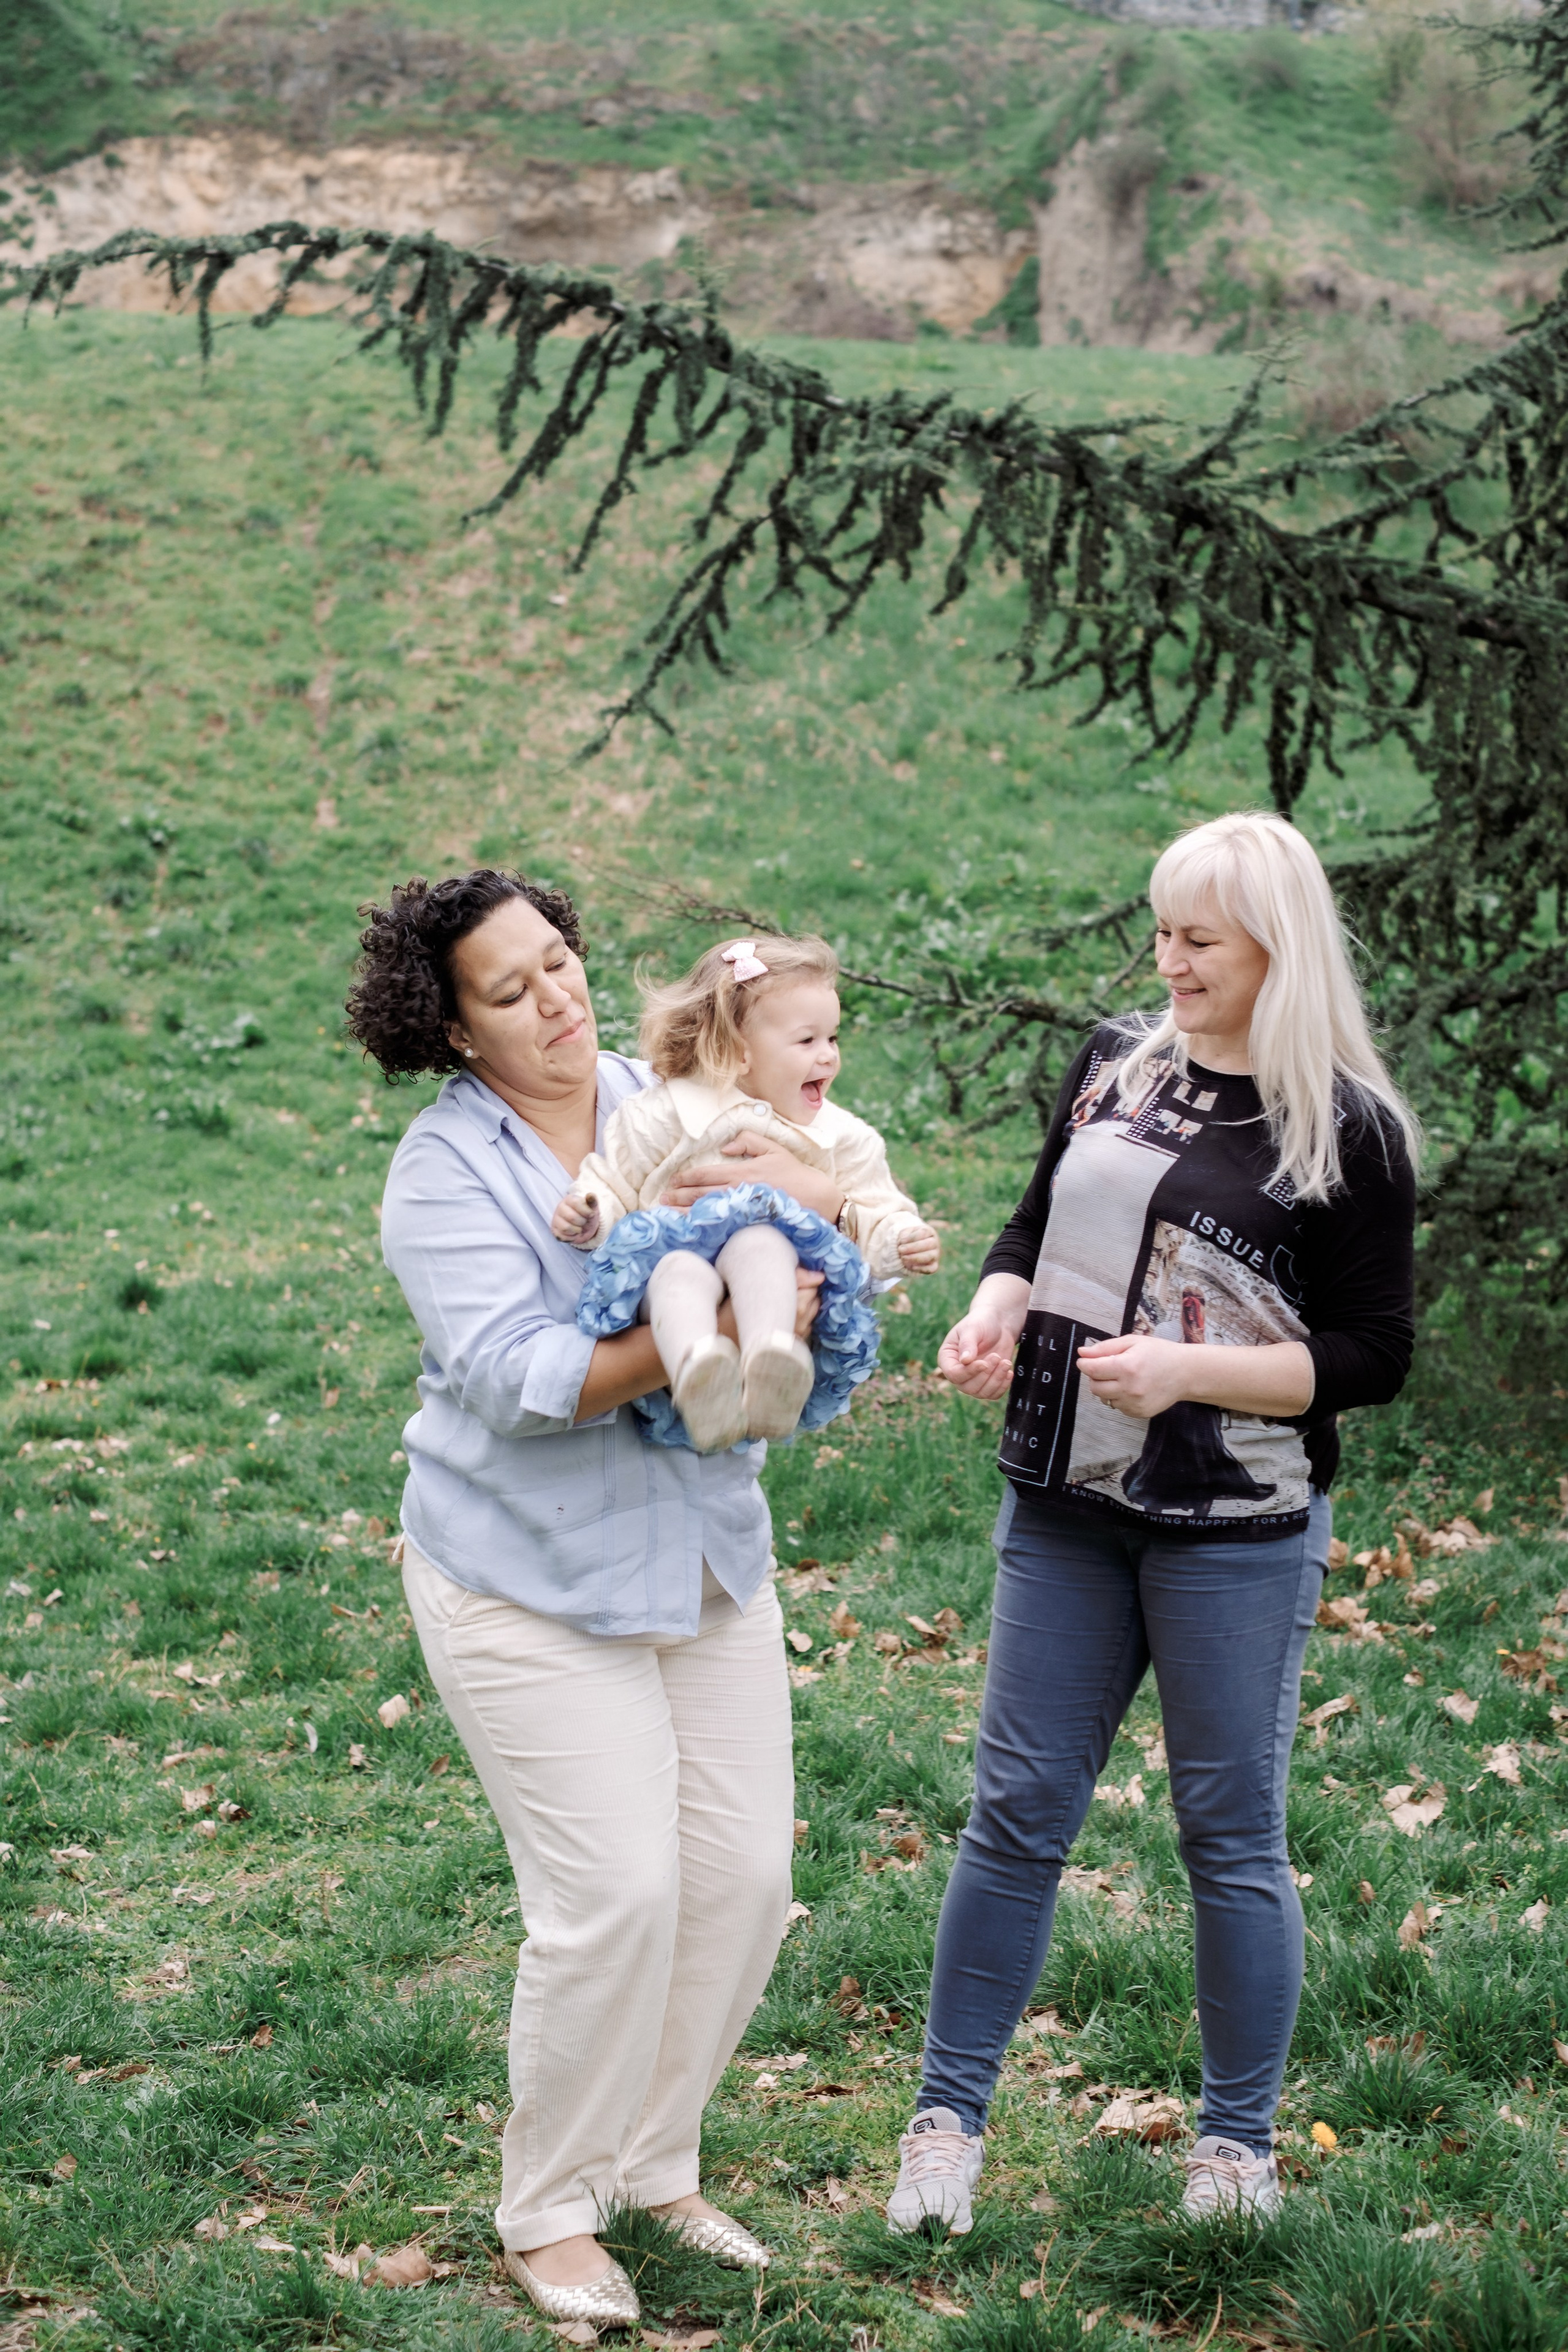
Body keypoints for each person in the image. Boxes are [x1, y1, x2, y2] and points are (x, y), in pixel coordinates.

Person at [886, 812, 1417, 2234]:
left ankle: (1234, 2147)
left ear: (1275, 951)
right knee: (1014, 1817)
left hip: (1233, 1523)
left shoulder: (1345, 1131)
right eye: (1159, 932)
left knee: (1226, 1833)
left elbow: (1371, 1354)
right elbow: (1028, 1226)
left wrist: (1189, 1371)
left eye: (1198, 940)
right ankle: (944, 2123)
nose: (1166, 962)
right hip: (1062, 1499)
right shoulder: (1115, 1062)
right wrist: (995, 1309)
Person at [345, 870, 845, 2329]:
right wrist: (703, 1335)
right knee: (614, 1898)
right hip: (523, 1576)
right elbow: (521, 1378)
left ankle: (652, 2160)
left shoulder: (662, 1095)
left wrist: (796, 1265)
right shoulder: (444, 1172)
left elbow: (815, 1177)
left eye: (558, 962)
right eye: (511, 990)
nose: (555, 999)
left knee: (740, 1883)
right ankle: (551, 2206)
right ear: (453, 1029)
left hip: (699, 1553)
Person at [552, 932, 940, 1451]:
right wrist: (591, 1214)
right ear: (737, 1053)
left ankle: (770, 1360)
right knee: (676, 1272)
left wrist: (900, 1238)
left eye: (833, 1038)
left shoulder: (838, 1137)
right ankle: (697, 1373)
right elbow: (614, 1181)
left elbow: (875, 1206)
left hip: (772, 1285)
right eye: (807, 1041)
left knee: (761, 1244)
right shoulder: (665, 1115)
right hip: (668, 1282)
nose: (828, 1057)